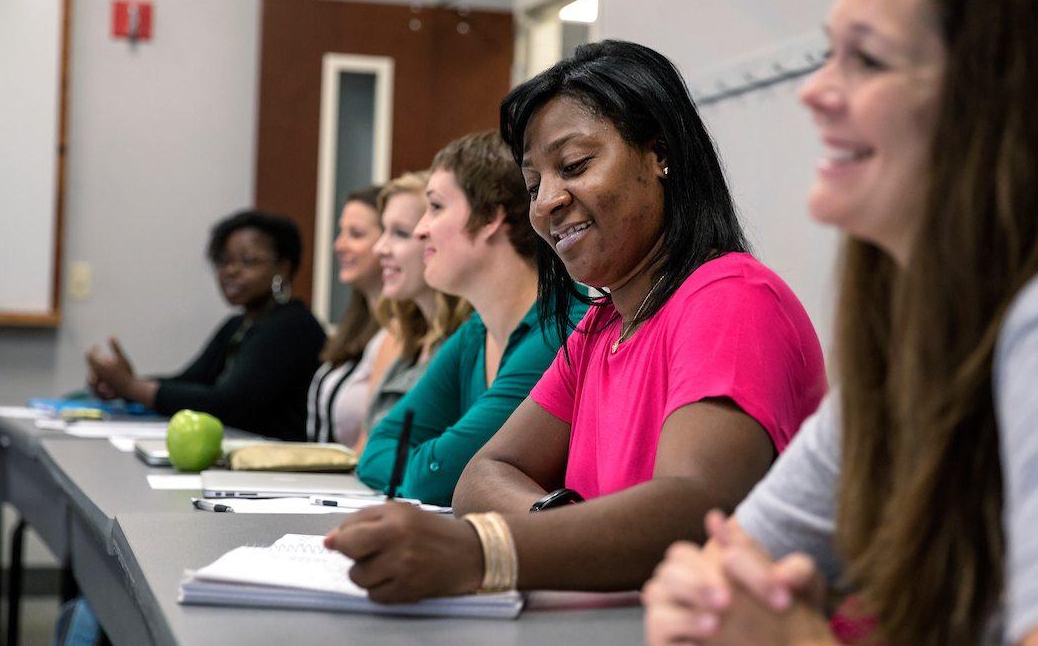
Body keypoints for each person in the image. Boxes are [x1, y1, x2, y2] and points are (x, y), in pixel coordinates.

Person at [641, 0, 1038, 645]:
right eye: (829, 53)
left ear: (1004, 100)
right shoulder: (922, 335)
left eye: (866, 59)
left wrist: (797, 639)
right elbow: (724, 569)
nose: (813, 90)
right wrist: (718, 597)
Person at [324, 41, 826, 602]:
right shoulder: (601, 327)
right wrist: (559, 521)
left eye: (575, 166)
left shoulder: (731, 297)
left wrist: (487, 551)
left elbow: (694, 508)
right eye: (534, 184)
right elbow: (483, 472)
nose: (547, 203)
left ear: (661, 152)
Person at [354, 130, 585, 506]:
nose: (420, 229)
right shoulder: (474, 333)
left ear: (492, 216)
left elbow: (445, 478)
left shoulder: (558, 330)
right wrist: (425, 467)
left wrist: (424, 468)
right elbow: (380, 445)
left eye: (436, 207)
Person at [85, 210, 326, 440]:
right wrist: (125, 384)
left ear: (283, 268)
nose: (231, 270)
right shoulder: (237, 325)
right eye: (224, 261)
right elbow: (191, 381)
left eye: (248, 260)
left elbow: (226, 403)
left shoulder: (292, 325)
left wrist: (131, 387)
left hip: (282, 471)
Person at [353, 171, 471, 454]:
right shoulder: (400, 337)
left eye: (400, 233)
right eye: (383, 231)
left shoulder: (473, 340)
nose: (380, 248)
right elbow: (364, 450)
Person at [306, 186, 386, 446]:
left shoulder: (399, 336)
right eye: (341, 232)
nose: (339, 245)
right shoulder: (355, 324)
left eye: (356, 234)